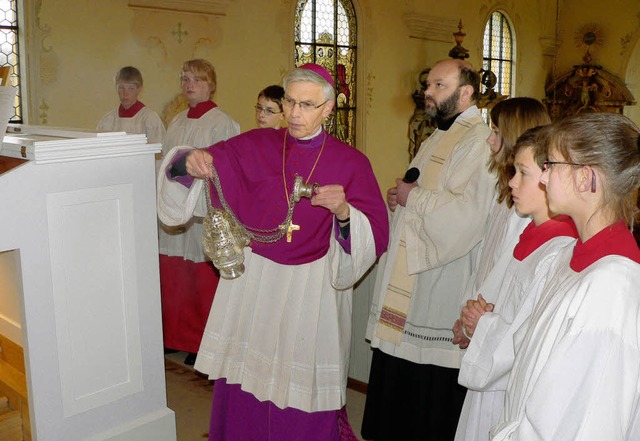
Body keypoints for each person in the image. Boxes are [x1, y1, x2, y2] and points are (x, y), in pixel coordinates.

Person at [157, 63, 389, 440]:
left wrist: (345, 214)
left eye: (308, 105)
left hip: (312, 290)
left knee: (301, 392)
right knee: (246, 381)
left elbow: (374, 236)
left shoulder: (351, 163)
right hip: (256, 281)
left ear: (328, 109)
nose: (295, 114)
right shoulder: (257, 144)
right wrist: (188, 161)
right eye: (290, 103)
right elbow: (194, 166)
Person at [362, 58, 495, 441]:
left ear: (465, 92)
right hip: (416, 275)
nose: (428, 92)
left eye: (439, 85)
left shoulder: (477, 141)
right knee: (400, 370)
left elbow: (468, 215)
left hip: (440, 276)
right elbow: (424, 191)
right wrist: (401, 198)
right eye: (429, 85)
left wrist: (414, 199)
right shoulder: (438, 134)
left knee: (427, 385)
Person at [491, 112, 640, 440]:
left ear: (586, 179)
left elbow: (584, 422)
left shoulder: (611, 289)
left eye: (552, 165)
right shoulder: (568, 257)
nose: (543, 179)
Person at [454, 126, 578, 441]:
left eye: (523, 172)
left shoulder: (559, 250)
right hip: (492, 378)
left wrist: (484, 323)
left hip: (509, 390)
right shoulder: (532, 236)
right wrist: (479, 318)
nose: (511, 181)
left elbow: (532, 339)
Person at [453, 98, 552, 351]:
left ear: (514, 136)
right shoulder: (506, 192)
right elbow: (484, 257)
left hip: (494, 320)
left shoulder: (526, 207)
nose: (489, 139)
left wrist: (475, 322)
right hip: (480, 314)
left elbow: (504, 271)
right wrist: (466, 309)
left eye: (496, 131)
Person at [158, 59, 240, 366]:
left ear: (211, 84)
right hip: (175, 209)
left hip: (203, 210)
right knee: (174, 275)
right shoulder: (177, 121)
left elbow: (226, 169)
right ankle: (174, 337)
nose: (190, 84)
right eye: (185, 79)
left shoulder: (223, 122)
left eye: (197, 80)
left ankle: (200, 341)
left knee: (200, 278)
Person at [97, 66, 166, 144]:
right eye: (121, 88)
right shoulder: (107, 120)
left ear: (139, 89)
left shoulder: (149, 119)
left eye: (131, 88)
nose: (125, 93)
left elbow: (158, 151)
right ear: (116, 88)